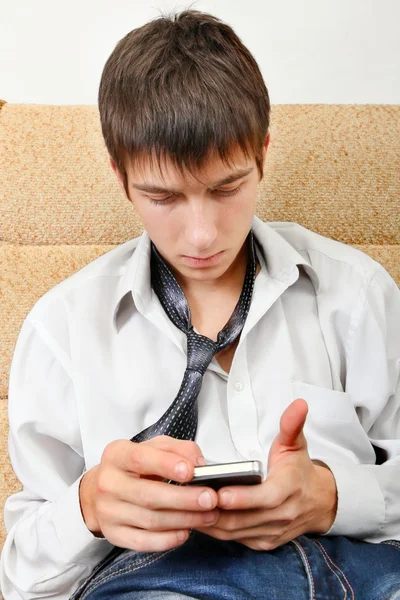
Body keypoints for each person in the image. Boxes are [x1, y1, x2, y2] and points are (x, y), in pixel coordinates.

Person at [1, 8, 400, 600]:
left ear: (263, 152)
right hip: (153, 581)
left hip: (354, 569)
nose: (202, 236)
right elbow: (21, 575)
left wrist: (331, 496)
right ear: (120, 175)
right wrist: (87, 507)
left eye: (227, 188)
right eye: (162, 196)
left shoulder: (356, 294)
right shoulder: (63, 328)